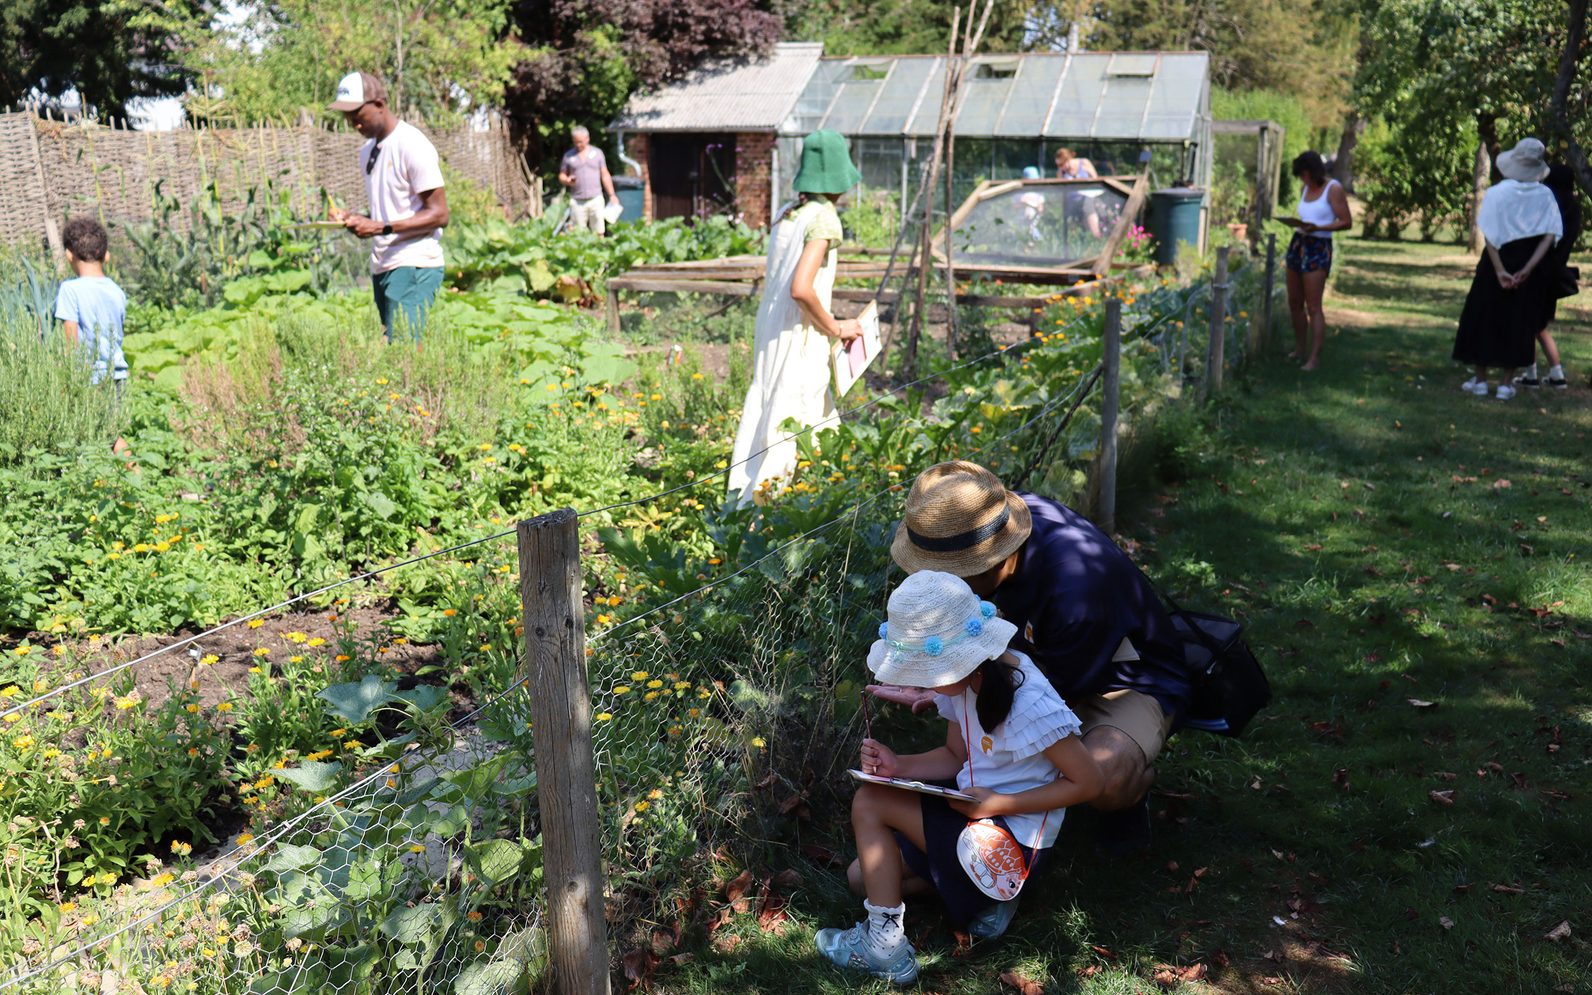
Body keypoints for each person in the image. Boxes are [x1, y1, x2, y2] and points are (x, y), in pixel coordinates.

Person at [873, 461, 1191, 854]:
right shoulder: (996, 521)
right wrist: (945, 688)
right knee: (998, 744)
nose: (941, 581)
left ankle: (1131, 792)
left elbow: (1043, 701)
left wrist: (960, 696)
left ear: (991, 561)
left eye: (950, 572)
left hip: (1124, 679)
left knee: (1102, 777)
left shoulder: (1077, 592)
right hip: (1047, 664)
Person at [817, 571, 1103, 982]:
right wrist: (900, 766)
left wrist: (998, 804)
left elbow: (1090, 782)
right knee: (861, 878)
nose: (920, 682)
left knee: (870, 801)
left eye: (924, 670)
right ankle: (986, 902)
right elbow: (954, 756)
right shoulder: (971, 681)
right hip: (974, 815)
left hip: (1007, 842)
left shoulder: (1029, 703)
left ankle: (883, 949)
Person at [726, 130, 863, 506]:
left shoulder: (788, 211)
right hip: (800, 333)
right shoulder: (825, 220)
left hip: (773, 326)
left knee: (777, 409)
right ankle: (766, 513)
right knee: (789, 420)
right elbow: (802, 288)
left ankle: (751, 502)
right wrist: (836, 327)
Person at [327, 71, 450, 342]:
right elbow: (390, 213)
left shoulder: (411, 144)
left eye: (359, 118)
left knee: (405, 349)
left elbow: (440, 215)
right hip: (384, 264)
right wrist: (353, 219)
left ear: (380, 105)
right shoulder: (368, 151)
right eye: (349, 120)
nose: (354, 126)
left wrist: (381, 227)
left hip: (414, 262)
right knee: (398, 347)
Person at [1453, 138, 1563, 400]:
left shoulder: (1498, 192)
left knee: (1484, 315)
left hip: (1496, 260)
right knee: (1519, 319)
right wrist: (1527, 268)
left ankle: (1480, 379)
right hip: (1528, 260)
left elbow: (1489, 233)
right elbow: (1550, 235)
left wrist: (1500, 268)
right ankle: (1505, 383)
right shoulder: (1545, 195)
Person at [54, 218, 131, 455]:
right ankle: (124, 484)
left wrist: (68, 375)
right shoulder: (117, 291)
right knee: (111, 432)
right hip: (118, 374)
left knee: (103, 436)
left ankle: (136, 477)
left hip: (90, 376)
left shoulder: (70, 289)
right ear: (106, 255)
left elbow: (70, 338)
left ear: (69, 255)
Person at [1283, 151, 1352, 371]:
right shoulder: (1305, 188)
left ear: (1313, 171)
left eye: (1304, 174)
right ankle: (1299, 349)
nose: (1302, 179)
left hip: (1318, 246)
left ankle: (1314, 358)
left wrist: (1319, 228)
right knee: (1294, 302)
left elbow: (1346, 222)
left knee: (1313, 305)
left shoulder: (1334, 189)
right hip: (1299, 244)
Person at [1515, 163, 1581, 389]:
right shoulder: (1574, 209)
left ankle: (1535, 373)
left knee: (1531, 322)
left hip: (1540, 269)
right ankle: (1553, 374)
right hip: (1557, 270)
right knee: (1538, 324)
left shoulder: (1552, 206)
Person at [558, 126, 620, 236]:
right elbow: (561, 175)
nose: (578, 145)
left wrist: (612, 195)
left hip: (595, 198)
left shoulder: (598, 153)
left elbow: (605, 175)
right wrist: (567, 180)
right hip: (577, 200)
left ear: (587, 139)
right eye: (575, 142)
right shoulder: (568, 156)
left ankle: (599, 251)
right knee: (578, 233)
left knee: (599, 232)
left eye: (580, 142)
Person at [1053, 147, 1103, 238]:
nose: (1060, 167)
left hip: (1088, 198)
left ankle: (1097, 235)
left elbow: (1096, 180)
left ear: (1067, 160)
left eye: (1061, 164)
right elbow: (1060, 189)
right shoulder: (1061, 172)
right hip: (1072, 202)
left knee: (1087, 207)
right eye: (1058, 165)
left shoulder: (1084, 163)